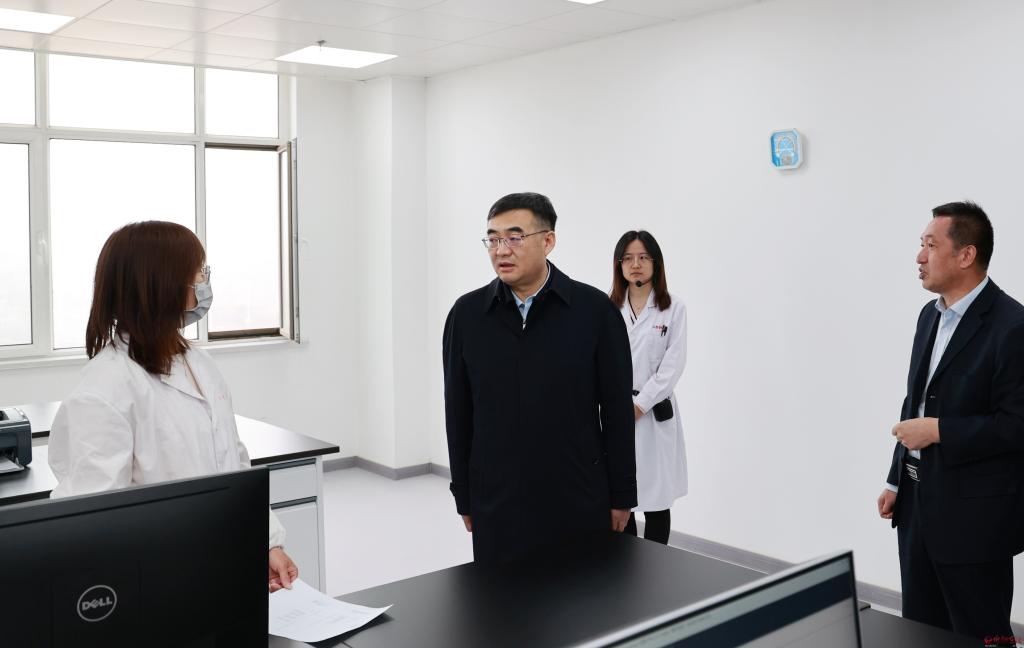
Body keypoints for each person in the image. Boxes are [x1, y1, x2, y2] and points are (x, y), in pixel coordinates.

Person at [48, 221, 299, 593]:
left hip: (219, 565)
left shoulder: (199, 364)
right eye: (198, 273)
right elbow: (94, 524)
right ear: (162, 284)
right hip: (155, 583)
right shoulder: (105, 390)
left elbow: (233, 463)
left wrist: (267, 543)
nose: (204, 284)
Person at [443, 192, 637, 564]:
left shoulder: (594, 312)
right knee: (500, 598)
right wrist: (464, 495)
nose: (501, 250)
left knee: (581, 596)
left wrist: (622, 494)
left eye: (515, 238)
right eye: (493, 239)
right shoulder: (467, 316)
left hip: (577, 496)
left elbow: (616, 411)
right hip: (496, 501)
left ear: (548, 241)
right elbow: (458, 412)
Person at [876, 202, 1024, 644]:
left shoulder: (1012, 326)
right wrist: (896, 480)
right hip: (917, 507)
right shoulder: (930, 316)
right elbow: (915, 401)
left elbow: (1016, 424)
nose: (919, 256)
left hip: (975, 518)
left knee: (979, 633)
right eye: (920, 245)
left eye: (930, 245)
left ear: (966, 254)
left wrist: (939, 431)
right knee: (921, 631)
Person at [610, 231, 687, 545]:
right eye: (628, 258)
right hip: (615, 408)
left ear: (656, 263)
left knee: (656, 498)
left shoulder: (673, 308)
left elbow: (673, 365)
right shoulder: (608, 308)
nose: (636, 264)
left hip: (653, 412)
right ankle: (626, 564)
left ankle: (657, 564)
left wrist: (640, 404)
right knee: (621, 494)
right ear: (619, 265)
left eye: (643, 257)